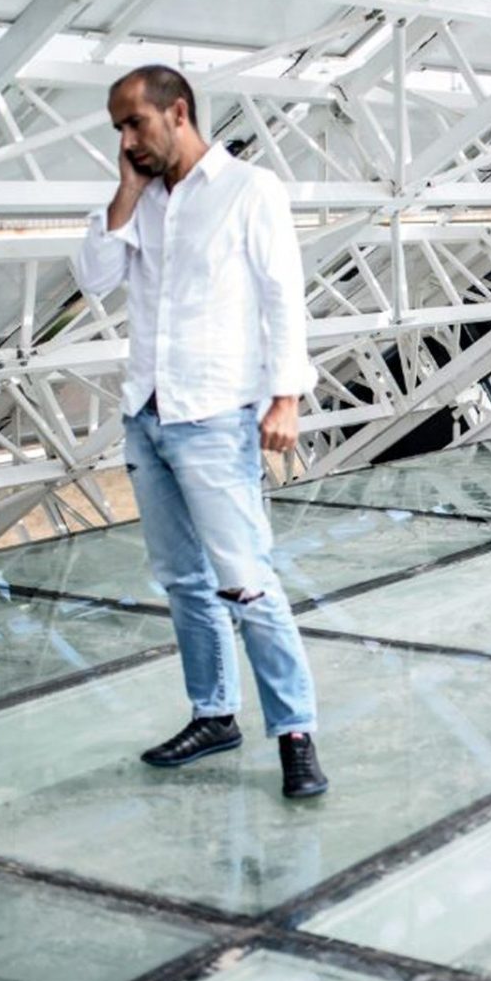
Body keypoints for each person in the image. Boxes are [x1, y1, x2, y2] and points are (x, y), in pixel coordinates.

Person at [74, 64, 328, 800]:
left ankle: (296, 732)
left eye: (134, 124)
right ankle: (214, 713)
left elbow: (285, 298)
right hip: (148, 413)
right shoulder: (144, 201)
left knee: (246, 581)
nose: (126, 140)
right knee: (183, 580)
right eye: (118, 129)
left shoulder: (252, 192)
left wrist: (287, 398)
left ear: (177, 112)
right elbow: (93, 276)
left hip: (217, 417)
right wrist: (124, 191)